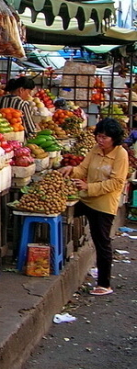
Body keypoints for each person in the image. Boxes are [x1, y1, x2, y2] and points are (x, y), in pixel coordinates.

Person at [58, 118, 129, 296]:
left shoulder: (121, 154)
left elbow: (116, 183)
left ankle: (104, 283)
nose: (100, 140)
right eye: (98, 136)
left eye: (104, 137)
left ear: (114, 138)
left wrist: (89, 187)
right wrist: (71, 170)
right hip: (86, 198)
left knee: (102, 241)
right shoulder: (95, 150)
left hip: (104, 204)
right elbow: (83, 169)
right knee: (62, 216)